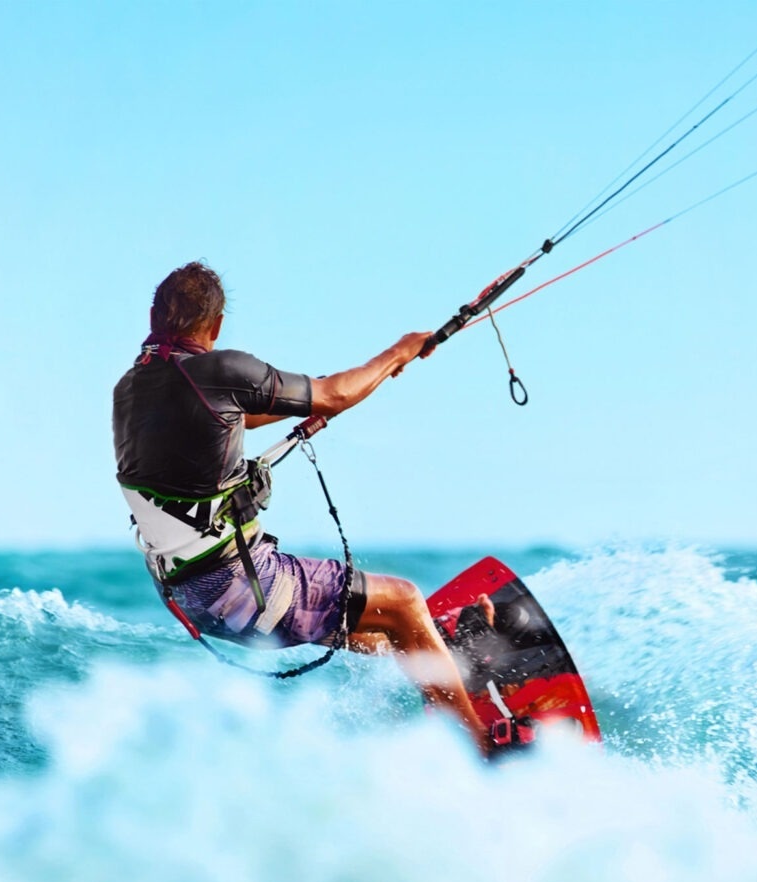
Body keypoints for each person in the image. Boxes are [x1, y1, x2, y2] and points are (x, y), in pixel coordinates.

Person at [113, 261, 490, 752]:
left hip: (192, 600)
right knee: (402, 600)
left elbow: (234, 417)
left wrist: (343, 389)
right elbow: (330, 396)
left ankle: (438, 648)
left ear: (153, 316)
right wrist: (398, 351)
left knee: (369, 624)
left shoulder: (130, 390)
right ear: (217, 326)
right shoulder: (221, 369)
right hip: (244, 590)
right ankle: (480, 744)